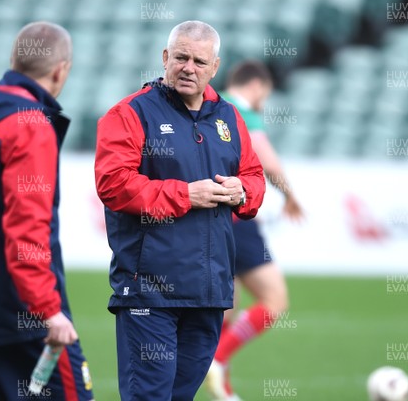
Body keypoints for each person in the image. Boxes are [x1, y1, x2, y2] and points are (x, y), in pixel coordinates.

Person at [94, 21, 265, 400]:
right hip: (148, 292)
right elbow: (114, 184)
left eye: (199, 61)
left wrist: (243, 191)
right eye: (181, 57)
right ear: (165, 57)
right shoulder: (129, 114)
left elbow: (254, 177)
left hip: (208, 294)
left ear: (215, 67)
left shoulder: (230, 118)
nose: (189, 67)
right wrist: (186, 195)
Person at [0, 22, 94, 401]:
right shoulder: (30, 126)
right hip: (22, 313)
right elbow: (26, 230)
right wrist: (47, 310)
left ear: (13, 61)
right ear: (62, 69)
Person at [205, 61, 305, 401]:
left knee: (225, 308)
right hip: (239, 218)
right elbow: (269, 163)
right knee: (275, 300)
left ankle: (222, 386)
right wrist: (290, 196)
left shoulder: (210, 105)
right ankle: (217, 361)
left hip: (211, 221)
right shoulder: (244, 112)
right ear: (258, 86)